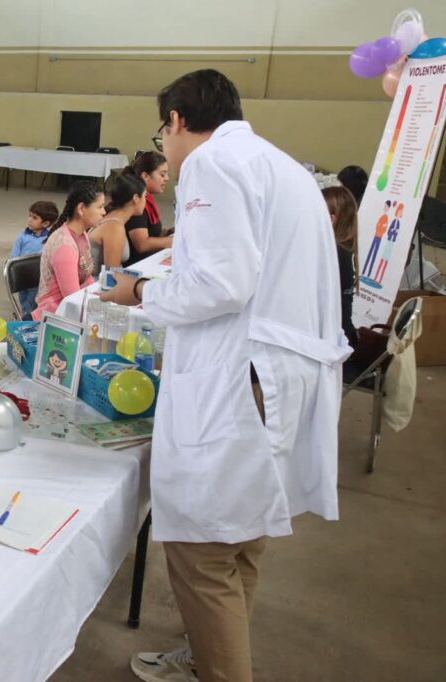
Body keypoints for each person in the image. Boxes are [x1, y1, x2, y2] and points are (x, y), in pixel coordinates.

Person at [101, 69, 348, 682]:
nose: (166, 148)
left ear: (177, 120)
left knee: (202, 553)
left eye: (163, 134)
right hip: (282, 373)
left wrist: (140, 293)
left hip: (244, 379)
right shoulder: (284, 167)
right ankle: (204, 655)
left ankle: (217, 666)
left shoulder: (212, 163)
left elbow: (222, 284)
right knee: (240, 538)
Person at [30, 181, 101, 320]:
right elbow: (72, 300)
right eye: (100, 207)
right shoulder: (64, 246)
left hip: (71, 311)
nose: (104, 212)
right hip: (55, 317)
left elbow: (86, 277)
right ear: (81, 208)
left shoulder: (82, 234)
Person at [322, 186, 359, 348]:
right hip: (341, 333)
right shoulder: (344, 248)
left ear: (331, 219)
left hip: (334, 339)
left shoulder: (334, 252)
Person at [10, 200, 59, 318]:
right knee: (23, 300)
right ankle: (26, 317)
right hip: (22, 277)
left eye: (35, 217)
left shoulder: (50, 238)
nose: (30, 219)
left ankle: (26, 321)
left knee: (30, 304)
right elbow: (13, 256)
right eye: (30, 215)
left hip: (37, 280)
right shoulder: (22, 236)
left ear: (46, 223)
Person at [88, 169, 143, 275]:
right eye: (145, 197)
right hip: (96, 283)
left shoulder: (113, 218)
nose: (145, 202)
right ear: (136, 198)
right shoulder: (114, 227)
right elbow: (111, 275)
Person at [124, 151, 174, 264]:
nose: (167, 178)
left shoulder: (148, 199)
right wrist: (171, 241)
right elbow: (142, 245)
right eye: (162, 175)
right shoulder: (137, 203)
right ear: (145, 176)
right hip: (137, 264)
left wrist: (167, 232)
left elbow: (151, 232)